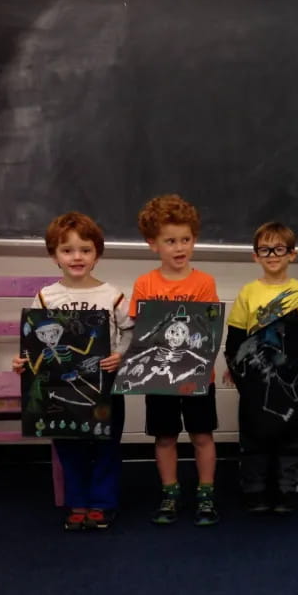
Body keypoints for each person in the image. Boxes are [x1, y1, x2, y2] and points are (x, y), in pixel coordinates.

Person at [11, 212, 133, 531]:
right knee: (68, 446)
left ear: (97, 254)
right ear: (54, 256)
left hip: (104, 385)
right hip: (58, 389)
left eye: (85, 249)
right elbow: (32, 341)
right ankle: (77, 503)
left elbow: (131, 332)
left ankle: (103, 503)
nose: (76, 257)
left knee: (106, 446)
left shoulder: (112, 295)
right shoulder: (45, 297)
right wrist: (23, 362)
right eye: (67, 250)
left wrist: (119, 355)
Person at [129, 194, 220, 526]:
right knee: (165, 436)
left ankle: (206, 494)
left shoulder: (204, 282)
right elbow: (139, 329)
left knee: (202, 435)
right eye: (170, 241)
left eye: (186, 239)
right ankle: (170, 493)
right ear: (153, 244)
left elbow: (204, 330)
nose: (180, 248)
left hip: (197, 377)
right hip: (159, 378)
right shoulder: (145, 283)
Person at [224, 222, 298, 514]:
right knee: (254, 434)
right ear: (255, 256)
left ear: (292, 254)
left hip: (290, 377)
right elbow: (235, 338)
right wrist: (236, 371)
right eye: (265, 250)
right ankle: (255, 489)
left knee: (291, 433)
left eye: (279, 249)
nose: (272, 255)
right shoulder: (248, 292)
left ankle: (287, 488)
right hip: (255, 377)